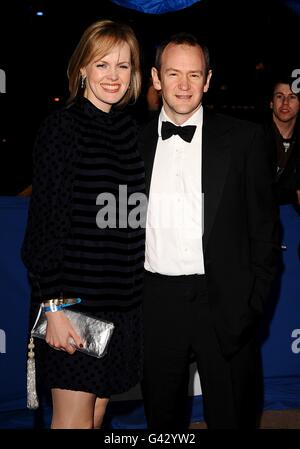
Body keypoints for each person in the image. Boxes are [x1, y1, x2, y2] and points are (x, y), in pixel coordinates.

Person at [138, 32, 279, 429]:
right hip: (156, 303)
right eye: (173, 73)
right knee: (162, 421)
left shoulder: (245, 140)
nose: (184, 84)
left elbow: (265, 234)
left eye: (194, 74)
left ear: (208, 79)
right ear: (156, 77)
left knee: (232, 416)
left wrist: (251, 309)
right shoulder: (132, 142)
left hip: (224, 301)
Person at [21, 19, 145, 429]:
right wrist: (52, 306)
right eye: (102, 64)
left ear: (134, 75)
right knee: (73, 421)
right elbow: (44, 226)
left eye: (123, 66)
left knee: (95, 415)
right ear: (82, 69)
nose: (113, 76)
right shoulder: (62, 127)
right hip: (73, 305)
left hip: (122, 305)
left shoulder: (130, 132)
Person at [264, 76, 300, 205]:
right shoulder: (254, 138)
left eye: (292, 97)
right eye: (279, 96)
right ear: (271, 103)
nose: (285, 102)